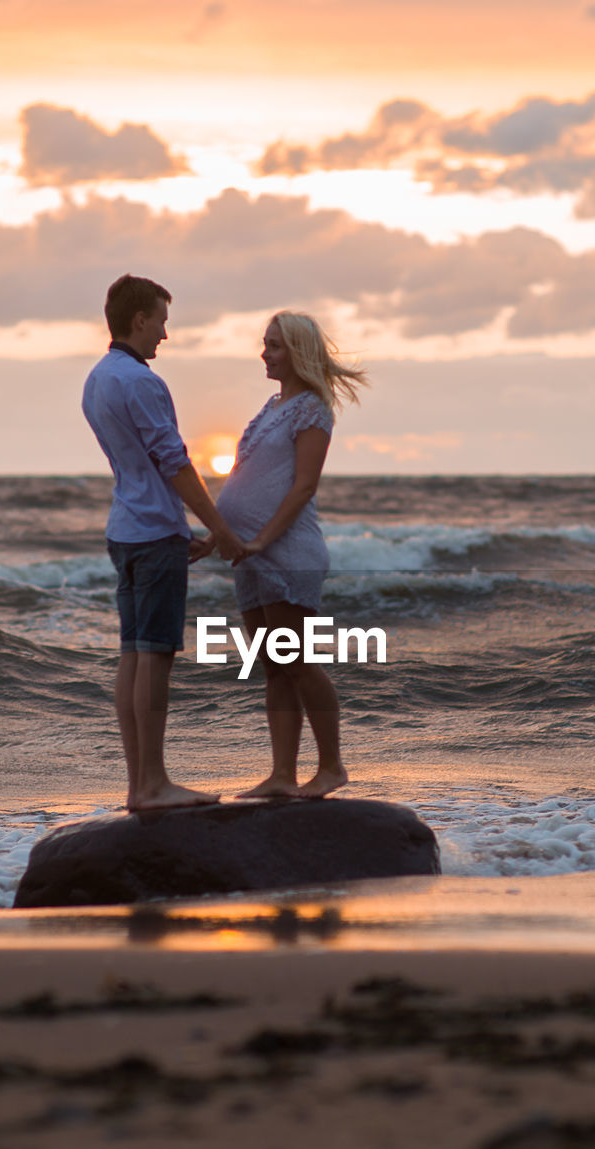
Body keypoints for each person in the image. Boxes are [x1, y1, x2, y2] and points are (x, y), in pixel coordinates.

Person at [82, 274, 245, 811]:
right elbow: (173, 461)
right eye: (162, 323)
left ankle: (140, 783)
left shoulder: (97, 379)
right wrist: (218, 527)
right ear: (139, 320)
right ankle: (152, 784)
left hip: (126, 528)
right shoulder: (141, 381)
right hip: (153, 534)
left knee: (133, 655)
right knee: (154, 657)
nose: (165, 335)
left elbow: (142, 466)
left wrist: (186, 528)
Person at [201, 311, 368, 798]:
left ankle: (332, 767)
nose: (264, 353)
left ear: (296, 353)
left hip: (288, 550)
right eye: (264, 343)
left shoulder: (312, 409)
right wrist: (216, 536)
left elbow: (302, 487)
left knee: (295, 659)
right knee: (273, 665)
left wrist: (260, 540)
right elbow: (244, 481)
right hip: (251, 554)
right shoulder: (270, 407)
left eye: (274, 346)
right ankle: (281, 775)